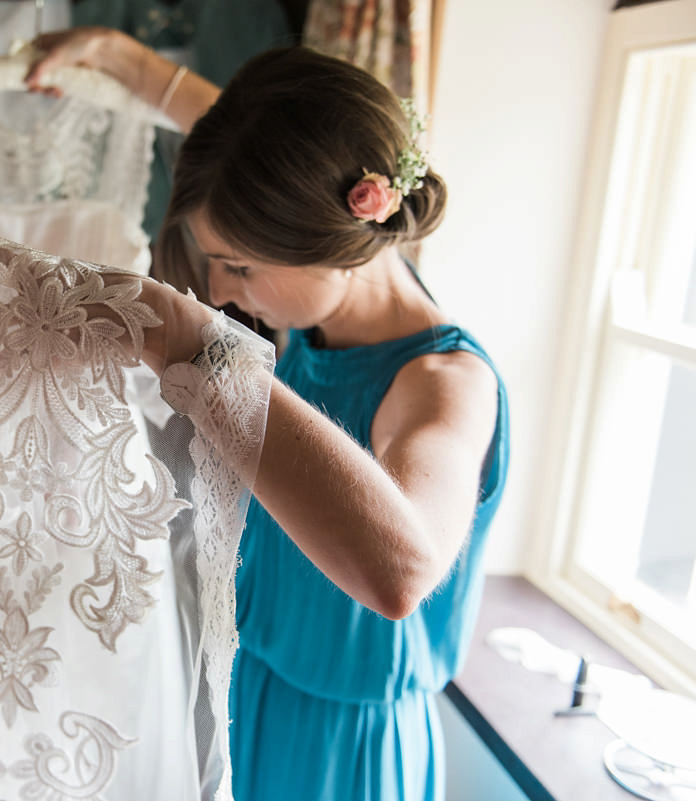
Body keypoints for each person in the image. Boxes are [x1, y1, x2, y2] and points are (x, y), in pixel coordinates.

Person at [26, 28, 509, 801]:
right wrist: (118, 57)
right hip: (239, 685)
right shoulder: (309, 307)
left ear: (332, 241)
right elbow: (254, 145)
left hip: (341, 753)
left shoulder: (445, 384)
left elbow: (403, 570)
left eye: (242, 265)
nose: (218, 288)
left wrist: (187, 342)